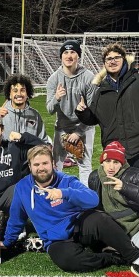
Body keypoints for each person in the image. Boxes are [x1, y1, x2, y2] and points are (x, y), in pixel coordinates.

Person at [2, 145, 139, 277]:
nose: (41, 168)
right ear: (30, 166)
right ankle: (114, 257)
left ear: (53, 164)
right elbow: (16, 219)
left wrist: (64, 193)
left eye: (45, 163)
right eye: (36, 164)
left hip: (78, 226)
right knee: (68, 262)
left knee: (100, 219)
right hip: (55, 240)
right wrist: (7, 242)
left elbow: (93, 199)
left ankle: (138, 261)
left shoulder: (66, 180)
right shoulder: (22, 188)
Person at [75, 42, 139, 175]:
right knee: (116, 191)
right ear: (104, 64)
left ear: (124, 59)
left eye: (117, 57)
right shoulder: (101, 91)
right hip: (113, 150)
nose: (113, 61)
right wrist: (83, 112)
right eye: (109, 59)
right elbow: (93, 118)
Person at [88, 141, 139, 264]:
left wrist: (125, 188)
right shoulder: (95, 178)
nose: (111, 167)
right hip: (128, 235)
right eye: (108, 161)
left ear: (122, 164)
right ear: (102, 162)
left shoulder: (134, 174)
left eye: (116, 162)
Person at [46, 40, 96, 185]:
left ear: (78, 56)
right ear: (61, 56)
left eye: (73, 52)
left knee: (84, 165)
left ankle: (85, 200)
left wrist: (79, 132)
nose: (69, 55)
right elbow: (49, 109)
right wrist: (56, 98)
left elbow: (93, 112)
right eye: (65, 52)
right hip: (62, 127)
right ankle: (56, 195)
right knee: (56, 164)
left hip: (84, 127)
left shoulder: (88, 77)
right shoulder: (54, 79)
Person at [0, 73, 49, 143]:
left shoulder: (35, 115)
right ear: (9, 94)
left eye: (22, 90)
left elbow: (44, 141)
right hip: (6, 153)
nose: (19, 94)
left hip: (29, 153)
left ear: (27, 94)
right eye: (15, 91)